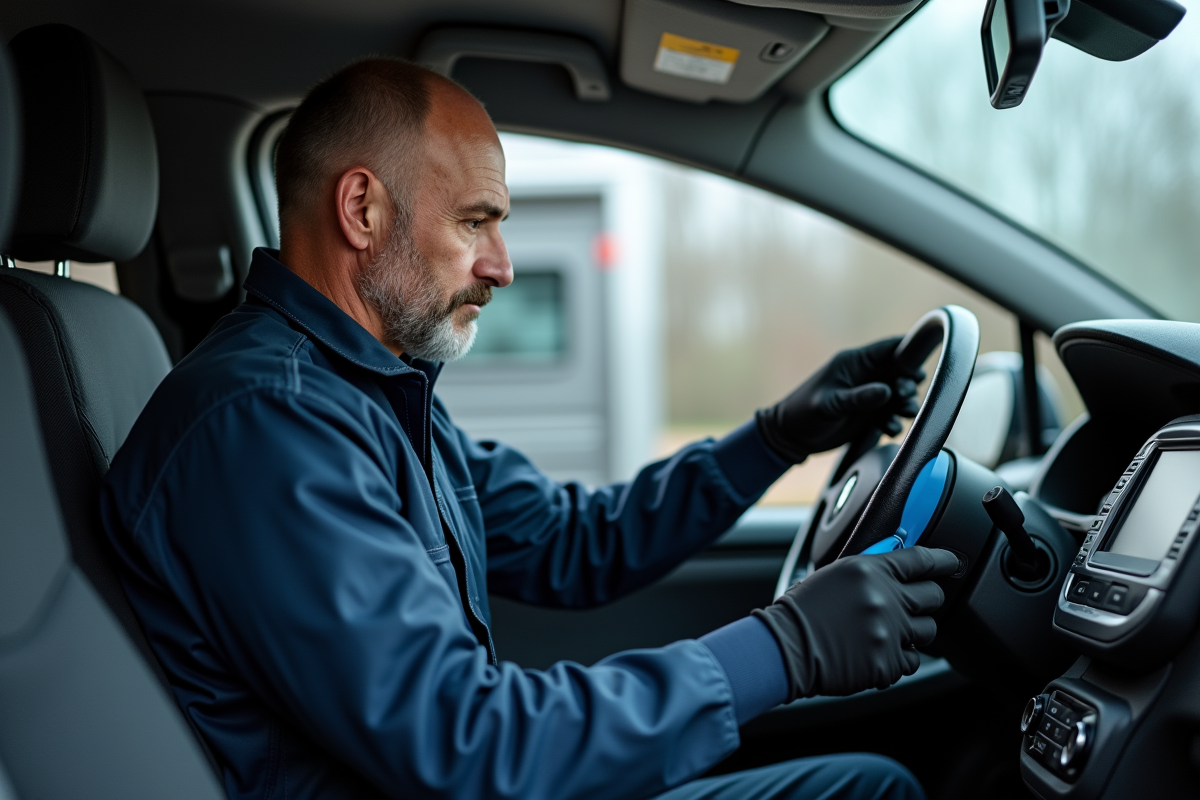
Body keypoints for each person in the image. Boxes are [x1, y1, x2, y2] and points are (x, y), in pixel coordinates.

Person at [102, 58, 960, 800]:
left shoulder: (372, 394)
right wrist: (788, 645)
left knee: (869, 784)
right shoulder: (269, 425)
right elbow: (468, 745)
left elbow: (573, 540)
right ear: (361, 210)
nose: (502, 265)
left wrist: (773, 438)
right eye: (476, 221)